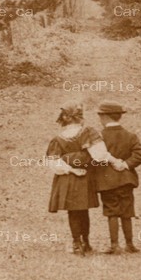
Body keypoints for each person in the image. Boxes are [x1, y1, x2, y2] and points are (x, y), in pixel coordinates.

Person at [90, 101, 141, 253]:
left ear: (104, 117)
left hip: (107, 182)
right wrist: (126, 165)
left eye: (100, 115)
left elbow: (94, 157)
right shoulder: (130, 136)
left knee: (112, 212)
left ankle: (114, 245)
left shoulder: (98, 137)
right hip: (126, 180)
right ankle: (130, 244)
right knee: (127, 212)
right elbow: (140, 155)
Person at [46, 104, 99, 255]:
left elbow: (53, 162)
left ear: (64, 118)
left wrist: (70, 168)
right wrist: (84, 159)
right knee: (83, 210)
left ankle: (77, 242)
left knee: (73, 212)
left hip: (67, 178)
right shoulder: (87, 133)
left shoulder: (58, 139)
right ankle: (86, 241)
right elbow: (98, 155)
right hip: (84, 176)